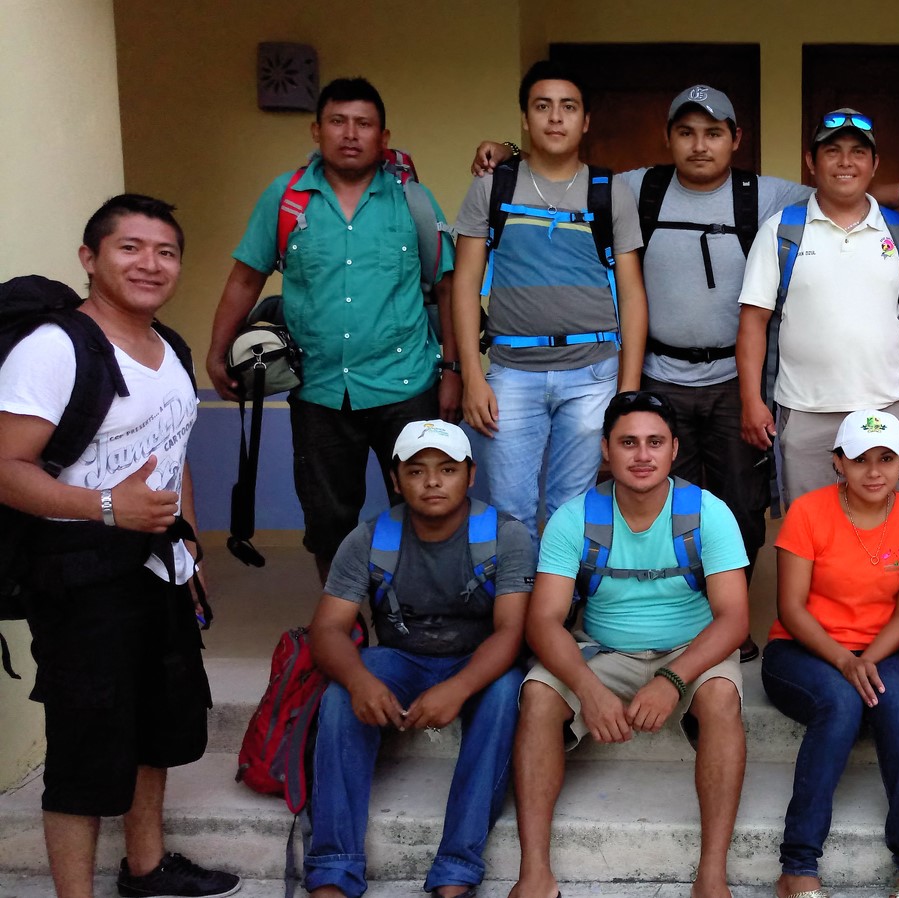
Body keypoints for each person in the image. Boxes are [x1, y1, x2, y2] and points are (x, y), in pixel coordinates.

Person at [468, 86, 899, 663]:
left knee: (741, 507)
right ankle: (670, 621)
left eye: (714, 133)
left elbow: (843, 185)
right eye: (687, 132)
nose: (700, 145)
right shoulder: (637, 187)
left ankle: (731, 623)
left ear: (735, 139)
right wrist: (510, 152)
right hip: (660, 376)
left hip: (732, 382)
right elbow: (565, 170)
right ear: (667, 139)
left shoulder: (762, 195)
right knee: (661, 500)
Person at [0, 195, 239, 898]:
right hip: (77, 575)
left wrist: (189, 552)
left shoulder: (170, 347)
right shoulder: (55, 348)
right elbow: (5, 467)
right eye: (129, 247)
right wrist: (108, 506)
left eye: (166, 252)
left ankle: (146, 868)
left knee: (158, 722)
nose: (150, 264)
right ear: (90, 258)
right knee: (86, 744)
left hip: (158, 567)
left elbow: (173, 453)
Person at [209, 77, 458, 584]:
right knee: (327, 522)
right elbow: (245, 277)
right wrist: (217, 351)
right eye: (338, 122)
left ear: (383, 137)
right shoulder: (286, 198)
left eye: (363, 124)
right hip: (319, 389)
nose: (350, 134)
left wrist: (453, 370)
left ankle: (413, 612)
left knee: (425, 510)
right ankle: (343, 615)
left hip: (408, 384)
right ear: (316, 130)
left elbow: (447, 288)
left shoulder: (412, 201)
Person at [513, 390, 749, 898]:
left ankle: (711, 875)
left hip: (690, 652)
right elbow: (544, 622)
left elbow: (733, 621)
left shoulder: (709, 513)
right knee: (537, 695)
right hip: (603, 652)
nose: (642, 455)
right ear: (605, 449)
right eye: (628, 442)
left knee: (722, 697)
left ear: (674, 449)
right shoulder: (574, 517)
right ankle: (534, 873)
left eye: (655, 442)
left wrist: (672, 679)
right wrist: (588, 689)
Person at [304, 419, 531, 898]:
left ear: (470, 475)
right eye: (416, 470)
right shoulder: (368, 538)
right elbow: (326, 630)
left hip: (478, 662)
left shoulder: (506, 536)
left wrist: (458, 688)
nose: (432, 482)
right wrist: (361, 682)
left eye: (447, 469)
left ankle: (456, 867)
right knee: (340, 696)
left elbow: (512, 632)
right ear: (395, 479)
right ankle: (333, 868)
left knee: (507, 692)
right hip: (400, 659)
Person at [451, 59, 647, 553]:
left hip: (593, 375)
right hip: (511, 374)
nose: (555, 117)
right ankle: (518, 600)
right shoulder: (492, 188)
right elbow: (465, 285)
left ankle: (560, 599)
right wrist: (472, 375)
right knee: (511, 511)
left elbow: (631, 294)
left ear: (586, 120)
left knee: (570, 509)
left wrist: (627, 391)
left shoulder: (611, 192)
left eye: (568, 107)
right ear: (525, 117)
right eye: (543, 106)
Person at [760, 409, 899, 898]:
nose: (874, 472)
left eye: (886, 459)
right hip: (803, 648)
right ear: (838, 462)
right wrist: (844, 660)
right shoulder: (808, 512)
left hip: (882, 648)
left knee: (896, 707)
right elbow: (791, 609)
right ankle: (798, 866)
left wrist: (866, 659)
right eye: (860, 460)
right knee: (840, 703)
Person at [737, 109, 899, 506]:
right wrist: (752, 400)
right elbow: (753, 322)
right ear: (811, 161)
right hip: (805, 412)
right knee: (811, 526)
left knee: (896, 525)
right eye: (832, 151)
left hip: (887, 409)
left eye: (858, 152)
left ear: (874, 164)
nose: (845, 162)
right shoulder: (782, 231)